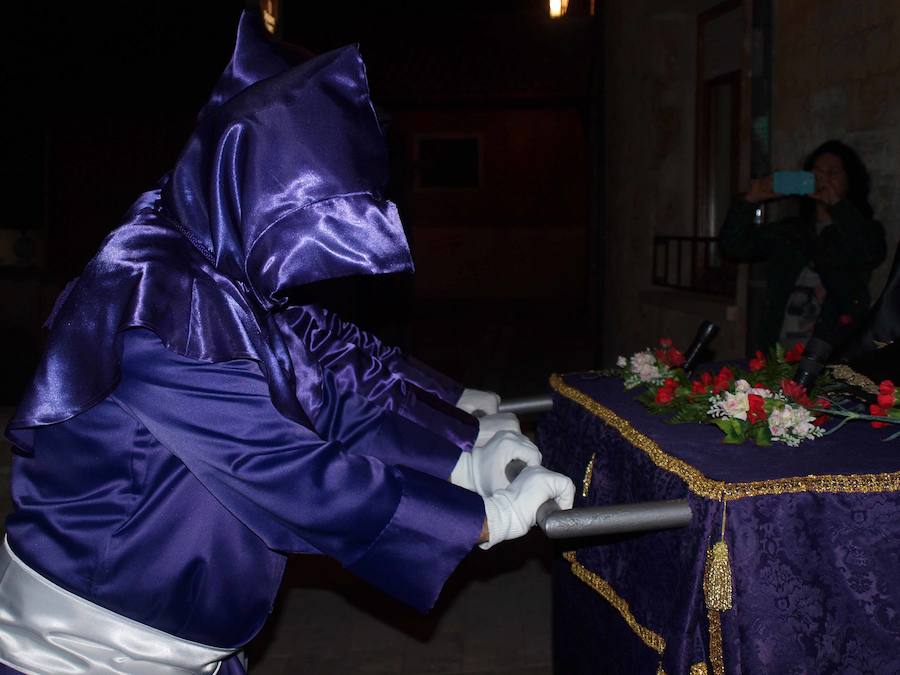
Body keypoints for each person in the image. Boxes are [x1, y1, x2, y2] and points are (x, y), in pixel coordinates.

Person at [0, 12, 575, 675]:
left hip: (172, 641)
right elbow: (281, 467)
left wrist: (460, 458)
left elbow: (327, 393)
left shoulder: (214, 267)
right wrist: (479, 517)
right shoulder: (154, 296)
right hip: (88, 649)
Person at [719, 139, 886, 353]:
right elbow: (732, 246)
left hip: (833, 351)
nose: (823, 178)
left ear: (849, 180)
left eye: (832, 172)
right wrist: (751, 198)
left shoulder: (863, 229)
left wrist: (836, 204)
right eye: (816, 172)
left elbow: (871, 252)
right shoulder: (791, 230)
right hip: (781, 353)